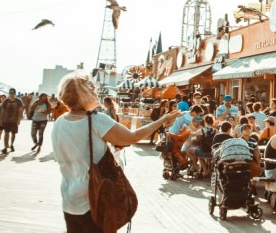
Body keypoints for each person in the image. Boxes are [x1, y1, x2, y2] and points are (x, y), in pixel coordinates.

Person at [51, 72, 180, 232]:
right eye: (92, 89)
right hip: (94, 198)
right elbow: (131, 137)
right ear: (85, 94)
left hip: (69, 198)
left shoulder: (59, 122)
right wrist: (161, 121)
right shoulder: (96, 121)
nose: (95, 92)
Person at [0, 88, 24, 155]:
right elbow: (2, 111)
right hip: (6, 120)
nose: (12, 94)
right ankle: (5, 147)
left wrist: (19, 119)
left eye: (13, 93)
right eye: (10, 93)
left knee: (13, 134)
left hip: (14, 120)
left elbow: (21, 110)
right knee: (6, 133)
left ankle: (11, 144)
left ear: (15, 94)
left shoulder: (18, 101)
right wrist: (1, 120)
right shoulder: (6, 101)